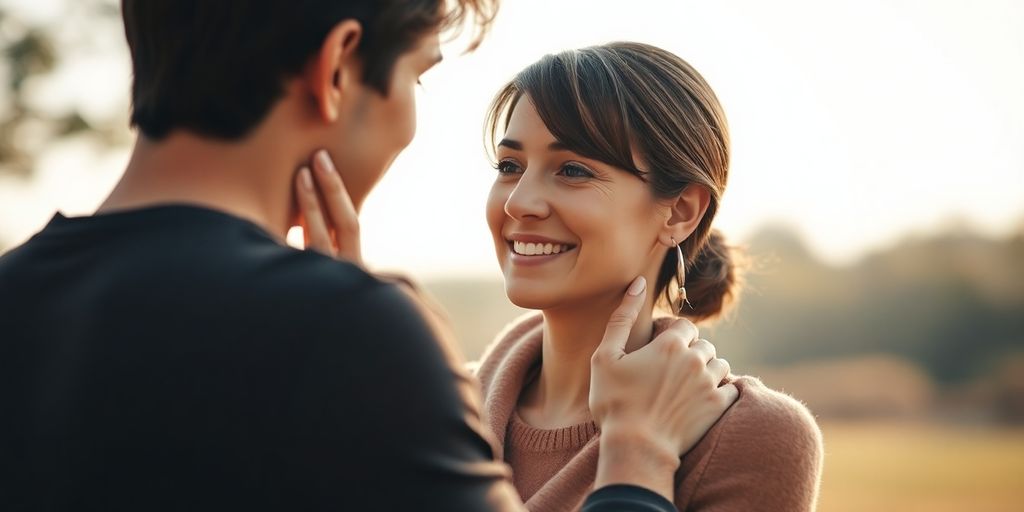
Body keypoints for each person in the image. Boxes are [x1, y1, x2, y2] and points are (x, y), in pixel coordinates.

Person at [0, 2, 738, 511]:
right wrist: (638, 458)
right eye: (416, 77)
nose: (520, 201)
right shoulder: (350, 338)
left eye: (573, 167)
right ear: (337, 67)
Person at [474, 42, 825, 510]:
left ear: (680, 211)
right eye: (509, 166)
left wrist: (640, 452)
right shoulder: (431, 405)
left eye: (573, 170)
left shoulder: (748, 436)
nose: (518, 201)